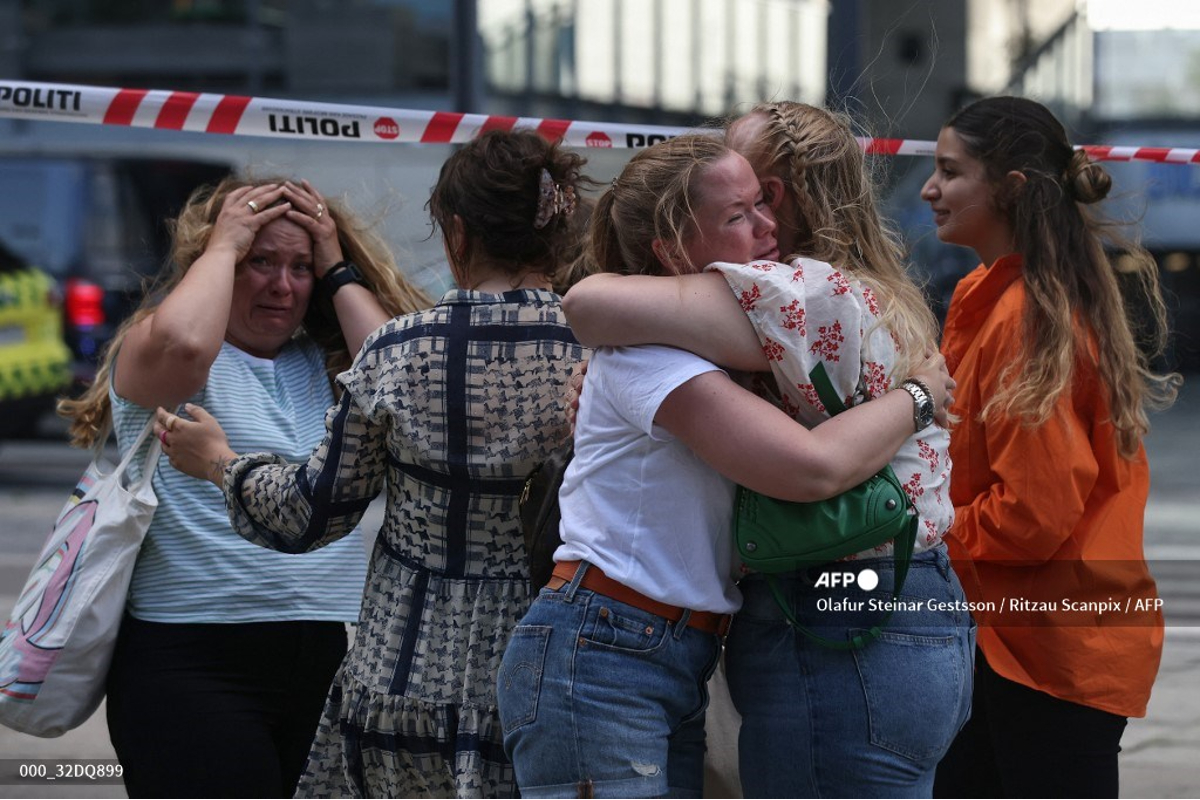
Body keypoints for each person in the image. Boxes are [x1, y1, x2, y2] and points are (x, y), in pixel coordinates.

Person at [496, 132, 957, 798]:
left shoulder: (718, 347)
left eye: (765, 205)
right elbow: (810, 468)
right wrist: (920, 397)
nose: (767, 227)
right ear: (671, 250)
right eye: (738, 215)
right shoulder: (652, 356)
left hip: (656, 649)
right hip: (604, 648)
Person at [160, 129, 591, 798]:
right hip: (552, 675)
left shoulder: (399, 350)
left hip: (400, 679)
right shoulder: (602, 352)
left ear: (456, 234)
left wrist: (221, 463)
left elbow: (308, 514)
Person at [55, 176, 427, 798]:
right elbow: (183, 342)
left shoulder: (323, 363)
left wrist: (336, 265)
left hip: (324, 658)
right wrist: (223, 244)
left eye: (300, 267)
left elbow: (404, 382)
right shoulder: (167, 346)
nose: (282, 286)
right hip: (191, 664)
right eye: (261, 262)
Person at [920, 96, 1182, 798]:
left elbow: (1030, 514)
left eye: (950, 171)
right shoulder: (993, 295)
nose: (929, 188)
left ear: (1010, 189)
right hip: (1013, 640)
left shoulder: (1028, 316)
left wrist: (914, 537)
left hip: (1047, 653)